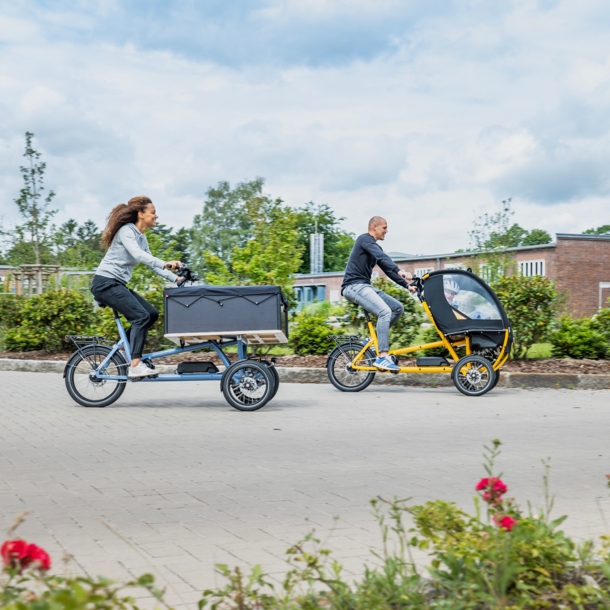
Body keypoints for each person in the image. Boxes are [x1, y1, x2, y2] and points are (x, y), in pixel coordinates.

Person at [91, 196, 183, 378]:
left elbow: (153, 265)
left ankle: (123, 350)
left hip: (116, 284)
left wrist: (176, 279)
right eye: (153, 212)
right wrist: (166, 263)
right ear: (141, 214)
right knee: (140, 316)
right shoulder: (127, 231)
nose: (156, 216)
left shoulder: (142, 238)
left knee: (151, 314)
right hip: (105, 283)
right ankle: (135, 365)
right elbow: (138, 255)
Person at [342, 216, 415, 371]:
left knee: (397, 308)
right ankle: (382, 356)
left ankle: (371, 342)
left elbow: (388, 269)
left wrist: (407, 286)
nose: (386, 231)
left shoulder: (375, 248)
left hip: (364, 286)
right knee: (384, 311)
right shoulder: (364, 239)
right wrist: (401, 271)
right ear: (374, 227)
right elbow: (384, 258)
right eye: (384, 228)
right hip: (353, 286)